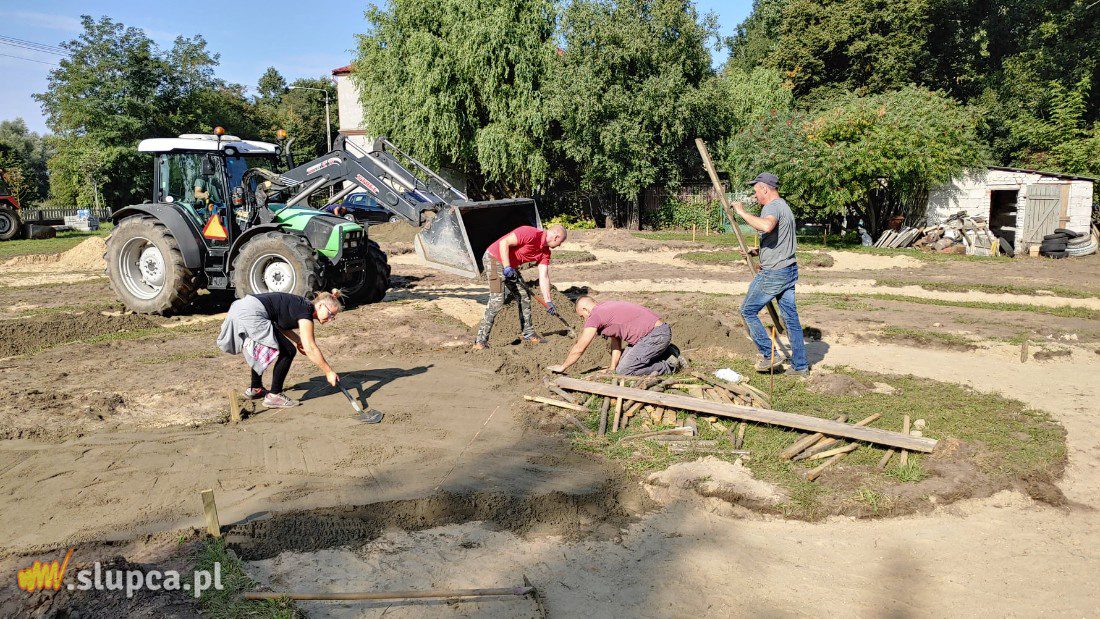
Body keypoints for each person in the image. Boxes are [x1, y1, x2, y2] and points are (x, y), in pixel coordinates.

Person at [732, 172, 809, 376]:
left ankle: (770, 355)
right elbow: (780, 239)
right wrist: (757, 251)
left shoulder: (772, 207)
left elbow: (766, 225)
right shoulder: (784, 206)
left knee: (747, 310)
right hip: (789, 268)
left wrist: (742, 213)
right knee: (790, 318)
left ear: (765, 188)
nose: (755, 195)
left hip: (775, 273)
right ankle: (800, 366)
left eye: (756, 190)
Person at [216, 290, 343, 408]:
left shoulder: (301, 306)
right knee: (288, 351)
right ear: (320, 306)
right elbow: (310, 347)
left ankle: (256, 388)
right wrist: (328, 372)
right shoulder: (305, 311)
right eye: (330, 314)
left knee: (264, 348)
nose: (331, 319)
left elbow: (280, 324)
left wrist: (298, 340)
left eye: (334, 317)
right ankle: (274, 395)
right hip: (252, 312)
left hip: (241, 307)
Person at [473, 224, 567, 349]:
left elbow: (544, 276)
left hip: (509, 266)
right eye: (561, 242)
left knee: (523, 295)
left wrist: (548, 301)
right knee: (497, 300)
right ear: (556, 237)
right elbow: (504, 243)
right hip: (494, 259)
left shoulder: (545, 252)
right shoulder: (530, 233)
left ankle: (528, 333)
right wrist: (507, 267)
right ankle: (480, 341)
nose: (560, 245)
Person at [547, 296, 685, 376]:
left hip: (655, 336)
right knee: (620, 367)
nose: (584, 320)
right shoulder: (606, 307)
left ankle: (669, 366)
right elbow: (616, 341)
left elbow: (580, 347)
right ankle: (666, 352)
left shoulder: (595, 315)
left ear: (585, 309)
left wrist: (563, 366)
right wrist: (612, 367)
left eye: (582, 316)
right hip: (654, 335)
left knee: (625, 371)